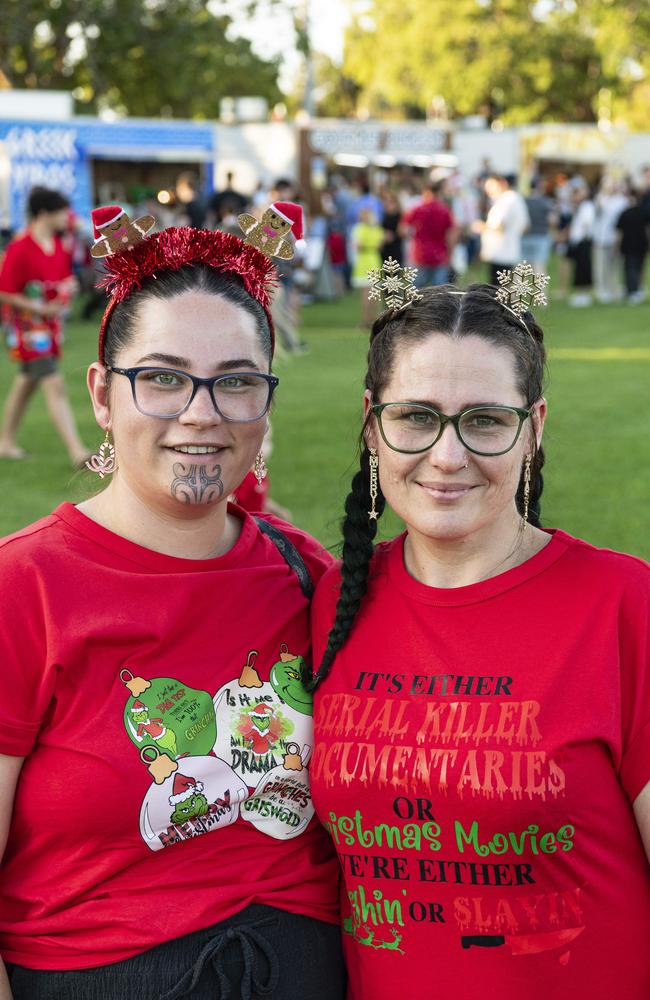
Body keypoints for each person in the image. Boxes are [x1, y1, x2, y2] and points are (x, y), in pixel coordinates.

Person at [0, 210, 345, 999]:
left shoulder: (309, 577)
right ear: (102, 394)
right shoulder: (23, 589)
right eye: (162, 377)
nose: (202, 412)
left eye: (235, 381)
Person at [308, 282, 650, 1000]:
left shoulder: (626, 607)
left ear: (534, 427)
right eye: (417, 418)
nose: (447, 455)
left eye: (486, 421)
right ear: (373, 425)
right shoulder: (333, 601)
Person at [0, 187, 89, 465]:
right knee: (54, 383)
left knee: (27, 383)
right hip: (29, 329)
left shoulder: (58, 246)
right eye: (62, 211)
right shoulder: (20, 247)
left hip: (50, 327)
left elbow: (62, 279)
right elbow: (4, 290)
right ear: (44, 214)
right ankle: (77, 451)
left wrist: (68, 288)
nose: (68, 217)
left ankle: (5, 442)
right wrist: (39, 308)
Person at [400, 181, 457, 287]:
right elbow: (452, 235)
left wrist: (413, 237)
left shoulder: (417, 209)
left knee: (415, 294)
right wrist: (450, 255)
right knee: (439, 295)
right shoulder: (445, 210)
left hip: (419, 255)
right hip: (439, 256)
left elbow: (402, 229)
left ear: (426, 192)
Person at [478, 174, 530, 285]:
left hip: (500, 252)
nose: (488, 191)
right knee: (503, 289)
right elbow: (525, 226)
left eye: (491, 186)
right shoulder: (515, 199)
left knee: (497, 290)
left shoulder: (506, 200)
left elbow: (500, 226)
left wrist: (481, 227)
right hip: (508, 250)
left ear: (502, 183)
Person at [350, 208, 384, 328]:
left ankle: (366, 320)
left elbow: (357, 246)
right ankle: (376, 319)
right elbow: (380, 245)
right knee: (375, 292)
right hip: (374, 259)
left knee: (365, 294)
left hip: (364, 261)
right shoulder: (377, 229)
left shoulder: (359, 229)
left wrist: (364, 244)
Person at [616, 188, 649, 304]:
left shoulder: (625, 213)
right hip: (640, 245)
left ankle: (633, 291)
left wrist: (617, 247)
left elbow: (619, 233)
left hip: (630, 245)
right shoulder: (643, 212)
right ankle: (633, 290)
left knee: (630, 269)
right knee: (637, 268)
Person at [567, 178, 595, 307]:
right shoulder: (580, 206)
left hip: (583, 241)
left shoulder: (587, 205)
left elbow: (586, 225)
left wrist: (581, 238)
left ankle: (584, 295)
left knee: (583, 269)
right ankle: (580, 293)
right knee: (579, 269)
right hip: (578, 241)